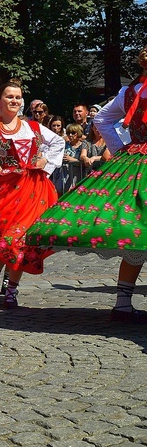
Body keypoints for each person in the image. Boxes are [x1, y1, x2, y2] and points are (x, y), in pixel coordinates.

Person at [27, 44, 147, 323]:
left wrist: (122, 149)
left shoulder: (129, 92)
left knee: (134, 228)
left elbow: (103, 119)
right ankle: (122, 303)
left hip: (135, 161)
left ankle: (122, 303)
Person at [0, 81, 64, 309]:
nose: (14, 101)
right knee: (7, 240)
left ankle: (11, 289)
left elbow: (58, 142)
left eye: (18, 97)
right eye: (9, 97)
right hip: (5, 193)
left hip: (34, 191)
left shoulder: (34, 128)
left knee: (23, 241)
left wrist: (45, 161)